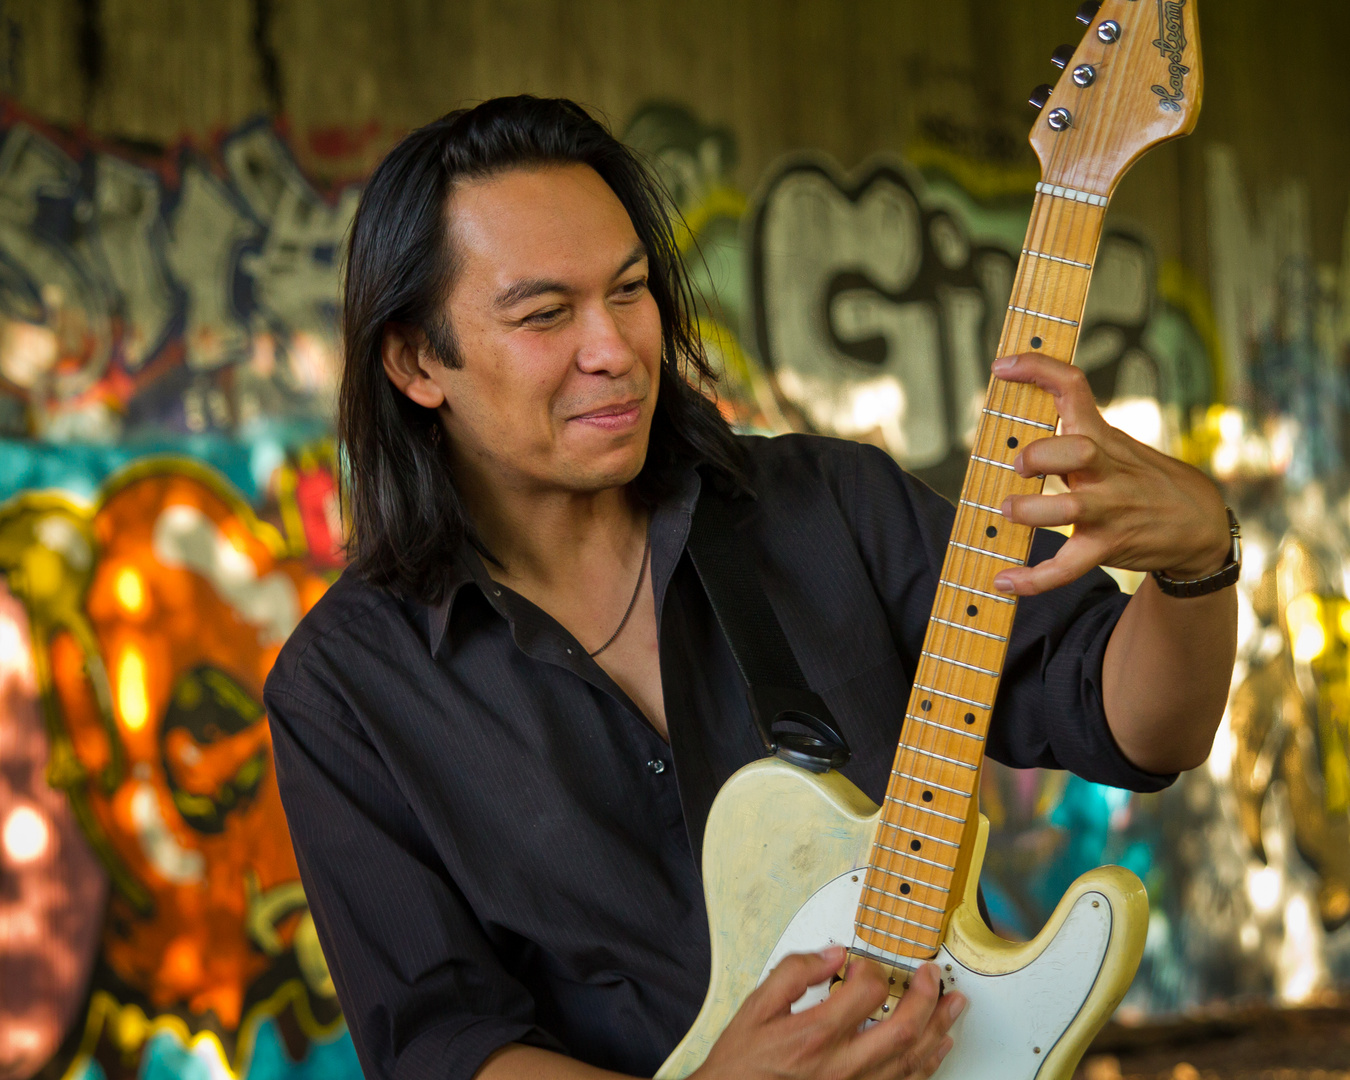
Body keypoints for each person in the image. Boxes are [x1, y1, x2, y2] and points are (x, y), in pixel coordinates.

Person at [263, 96, 1237, 1080]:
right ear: (418, 359)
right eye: (546, 315)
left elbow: (1138, 726)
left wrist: (1198, 563)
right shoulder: (346, 688)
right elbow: (443, 1046)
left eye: (630, 290)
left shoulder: (831, 506)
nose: (614, 349)